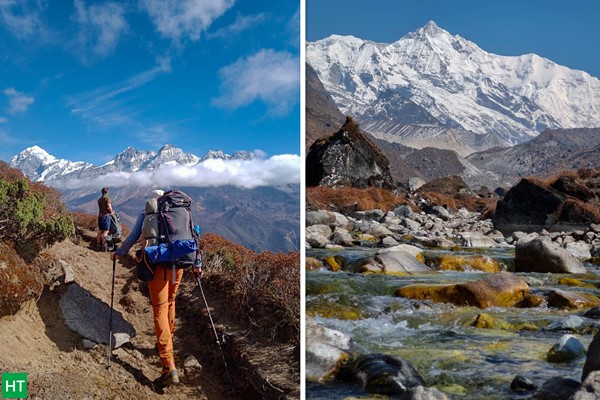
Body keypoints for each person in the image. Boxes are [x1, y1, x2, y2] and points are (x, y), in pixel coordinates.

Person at [111, 189, 202, 388]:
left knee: (159, 309)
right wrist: (198, 265)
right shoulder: (181, 210)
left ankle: (168, 365)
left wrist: (119, 252)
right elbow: (194, 236)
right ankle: (167, 340)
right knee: (171, 302)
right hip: (179, 263)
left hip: (158, 264)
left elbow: (134, 235)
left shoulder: (149, 213)